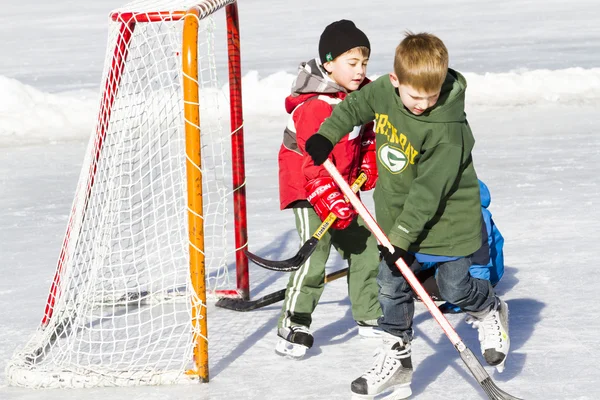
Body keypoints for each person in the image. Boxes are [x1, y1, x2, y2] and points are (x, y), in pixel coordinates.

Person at [304, 32, 511, 398]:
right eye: (415, 96)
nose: (424, 104)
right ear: (395, 80)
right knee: (391, 285)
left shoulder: (448, 130)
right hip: (398, 218)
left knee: (454, 288)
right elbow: (353, 108)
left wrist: (398, 240)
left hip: (447, 223)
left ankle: (489, 307)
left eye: (432, 96)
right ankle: (397, 359)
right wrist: (327, 135)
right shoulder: (384, 90)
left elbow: (427, 195)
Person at [275, 20, 382, 360]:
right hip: (309, 188)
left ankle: (369, 316)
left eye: (364, 63)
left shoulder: (361, 97)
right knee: (315, 255)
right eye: (352, 64)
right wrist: (328, 193)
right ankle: (294, 322)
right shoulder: (314, 105)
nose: (359, 70)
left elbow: (367, 137)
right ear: (329, 62)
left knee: (365, 247)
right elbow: (313, 161)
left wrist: (367, 165)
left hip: (343, 185)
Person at [416, 179, 505, 314]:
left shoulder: (476, 215)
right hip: (456, 267)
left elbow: (481, 257)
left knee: (418, 287)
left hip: (480, 275)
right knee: (406, 275)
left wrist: (472, 295)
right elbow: (435, 250)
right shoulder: (442, 211)